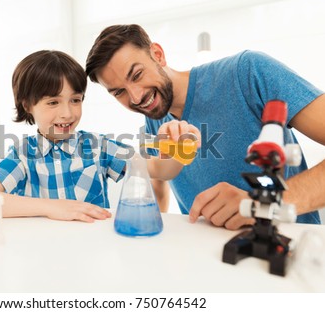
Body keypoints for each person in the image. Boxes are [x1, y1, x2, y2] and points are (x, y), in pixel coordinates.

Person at [85, 24, 325, 230]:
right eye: (119, 92)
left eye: (136, 75)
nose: (136, 97)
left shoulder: (249, 72)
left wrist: (260, 204)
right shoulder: (153, 116)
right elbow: (158, 188)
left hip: (288, 256)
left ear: (158, 54)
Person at [0, 50, 130, 223]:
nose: (67, 114)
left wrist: (172, 144)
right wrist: (51, 207)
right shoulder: (22, 155)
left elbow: (156, 167)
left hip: (96, 246)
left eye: (75, 100)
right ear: (28, 105)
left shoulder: (98, 146)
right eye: (53, 102)